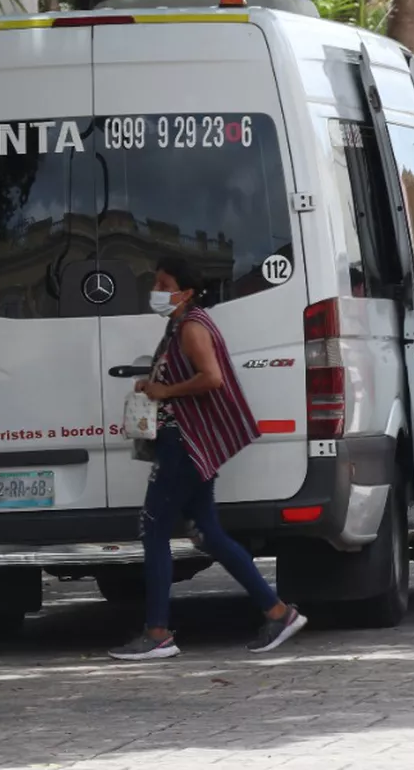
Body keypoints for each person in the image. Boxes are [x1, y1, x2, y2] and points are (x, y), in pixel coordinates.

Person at [110, 256, 307, 659]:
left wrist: (165, 392)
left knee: (154, 529)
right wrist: (155, 384)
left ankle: (158, 632)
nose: (157, 290)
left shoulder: (192, 326)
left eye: (163, 282)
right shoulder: (180, 324)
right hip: (187, 442)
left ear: (183, 291)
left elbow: (212, 378)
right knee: (208, 532)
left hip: (186, 443)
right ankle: (278, 612)